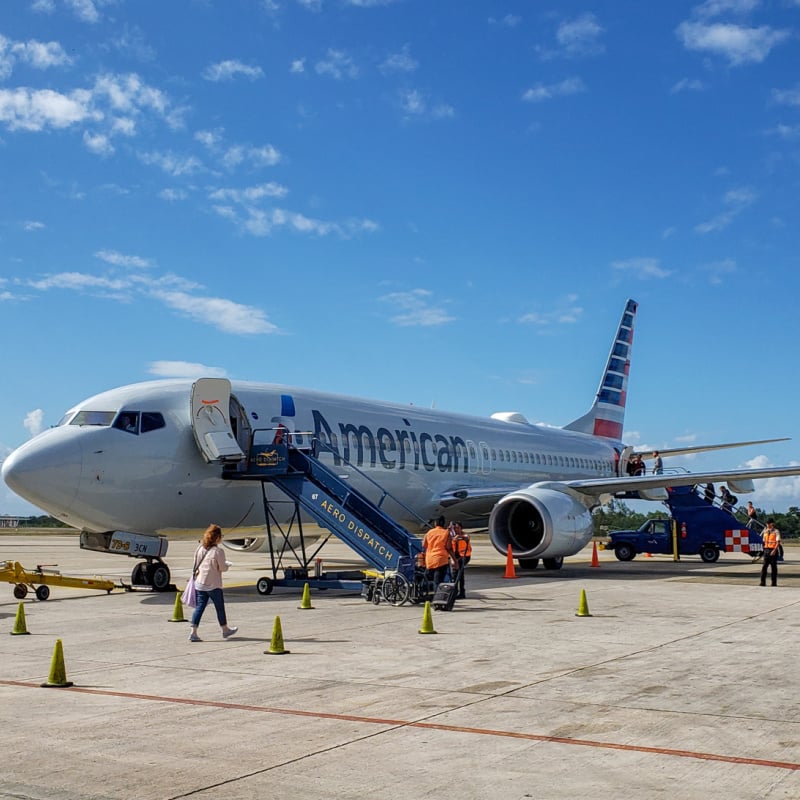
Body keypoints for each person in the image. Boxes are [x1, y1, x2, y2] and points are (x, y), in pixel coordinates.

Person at [188, 524, 238, 642]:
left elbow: (195, 563)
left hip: (200, 583)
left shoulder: (200, 548)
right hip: (213, 585)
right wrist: (227, 565)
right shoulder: (218, 551)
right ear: (217, 538)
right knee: (219, 608)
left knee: (199, 607)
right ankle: (225, 630)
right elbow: (222, 568)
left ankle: (193, 632)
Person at [422, 516, 453, 593]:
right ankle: (437, 598)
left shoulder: (429, 532)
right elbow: (448, 547)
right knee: (438, 582)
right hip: (441, 560)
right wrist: (455, 560)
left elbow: (424, 545)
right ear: (444, 523)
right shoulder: (446, 533)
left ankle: (425, 593)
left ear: (435, 523)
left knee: (427, 578)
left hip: (430, 560)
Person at [449, 521, 472, 599]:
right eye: (455, 528)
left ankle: (456, 592)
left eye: (458, 528)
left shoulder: (464, 535)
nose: (456, 529)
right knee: (460, 574)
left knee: (456, 573)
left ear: (461, 528)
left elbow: (466, 537)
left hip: (464, 555)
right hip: (456, 556)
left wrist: (457, 538)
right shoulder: (452, 536)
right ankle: (461, 592)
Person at [759, 518, 781, 587]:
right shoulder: (765, 531)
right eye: (767, 524)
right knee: (764, 567)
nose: (767, 525)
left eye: (768, 523)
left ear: (772, 524)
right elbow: (764, 541)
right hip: (766, 550)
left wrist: (774, 550)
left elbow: (778, 542)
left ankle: (774, 583)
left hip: (773, 550)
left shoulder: (776, 531)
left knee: (773, 567)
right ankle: (762, 582)